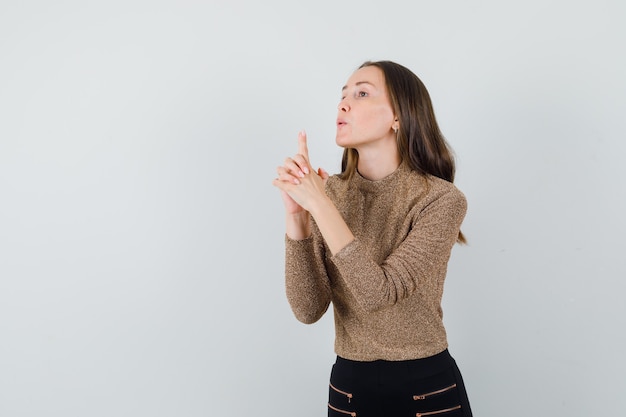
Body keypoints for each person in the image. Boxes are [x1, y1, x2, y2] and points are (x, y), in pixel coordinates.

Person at [272, 60, 473, 417]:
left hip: (425, 387)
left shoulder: (441, 200)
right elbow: (307, 309)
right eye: (343, 95)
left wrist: (320, 204)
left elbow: (378, 293)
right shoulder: (329, 194)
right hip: (350, 386)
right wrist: (298, 218)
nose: (343, 104)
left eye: (361, 93)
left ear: (399, 116)